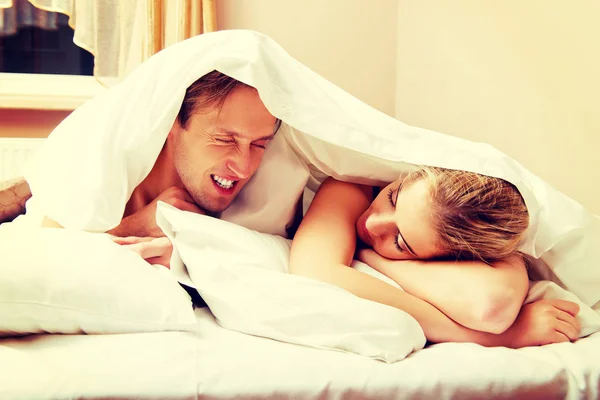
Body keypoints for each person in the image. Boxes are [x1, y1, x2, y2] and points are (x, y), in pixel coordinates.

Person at [288, 166, 582, 348]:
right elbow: (314, 271)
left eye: (401, 242)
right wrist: (504, 338)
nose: (373, 224)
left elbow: (492, 307)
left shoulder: (476, 249)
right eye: (393, 197)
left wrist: (372, 257)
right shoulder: (355, 181)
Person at [39, 70, 282, 237]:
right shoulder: (98, 172)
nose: (244, 168)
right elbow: (45, 252)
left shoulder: (263, 201)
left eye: (259, 144)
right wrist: (135, 228)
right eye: (224, 139)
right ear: (171, 123)